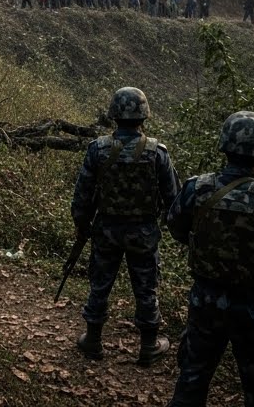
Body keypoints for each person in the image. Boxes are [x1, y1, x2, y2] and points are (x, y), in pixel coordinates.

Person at [166, 111, 254, 406]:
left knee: (192, 379)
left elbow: (176, 226)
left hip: (205, 300)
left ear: (225, 146)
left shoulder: (197, 188)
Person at [71, 87, 179, 364]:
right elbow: (173, 200)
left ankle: (93, 340)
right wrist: (162, 227)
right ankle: (149, 345)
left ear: (114, 115)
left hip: (106, 229)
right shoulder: (158, 153)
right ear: (144, 116)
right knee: (146, 288)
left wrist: (83, 225)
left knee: (100, 284)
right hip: (143, 232)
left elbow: (82, 195)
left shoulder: (98, 149)